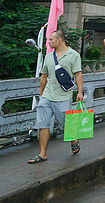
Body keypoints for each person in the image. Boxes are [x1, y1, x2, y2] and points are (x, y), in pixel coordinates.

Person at [28, 29, 83, 163]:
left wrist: (80, 91)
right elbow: (44, 76)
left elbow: (78, 74)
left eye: (51, 39)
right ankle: (42, 153)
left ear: (59, 40)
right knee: (43, 125)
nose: (49, 42)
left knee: (65, 125)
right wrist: (41, 94)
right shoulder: (48, 56)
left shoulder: (73, 55)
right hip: (47, 95)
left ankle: (73, 139)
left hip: (63, 96)